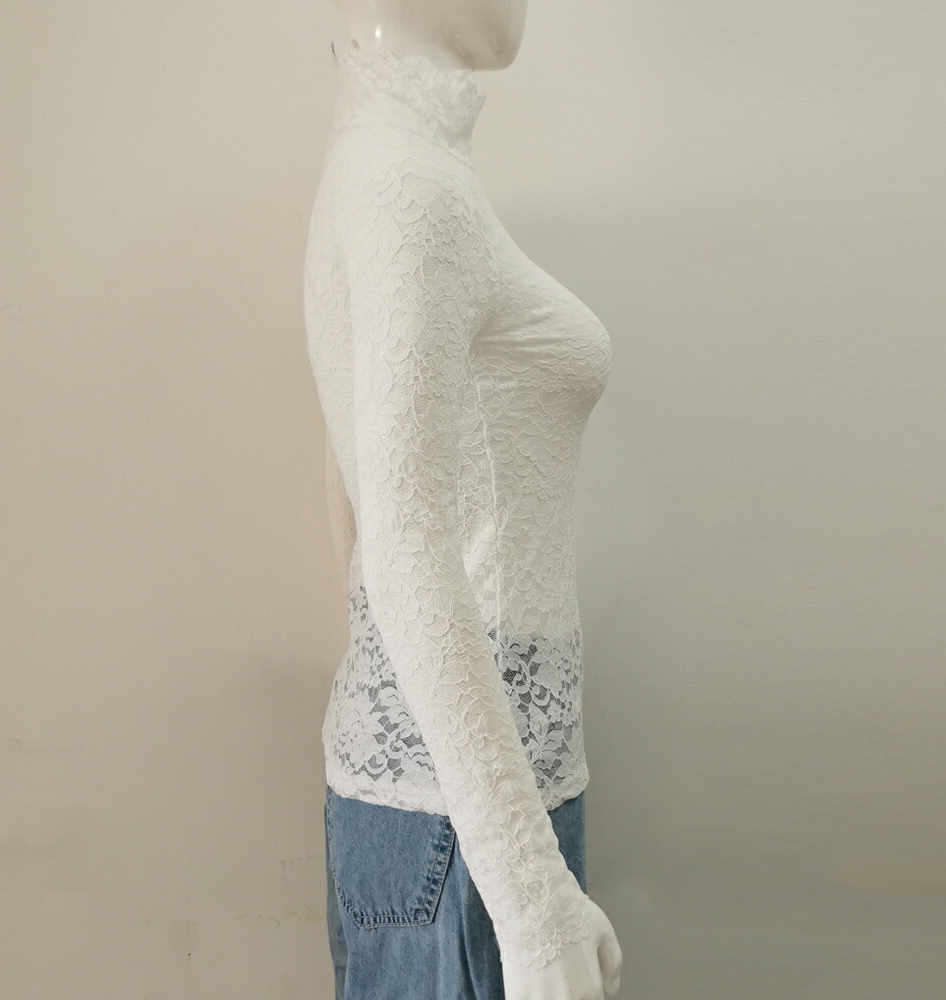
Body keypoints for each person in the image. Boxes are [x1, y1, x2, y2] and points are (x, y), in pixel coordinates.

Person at [302, 4, 624, 997]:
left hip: (466, 804)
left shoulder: (390, 166)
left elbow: (349, 492)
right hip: (467, 833)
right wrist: (531, 901)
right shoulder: (408, 185)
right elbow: (401, 541)